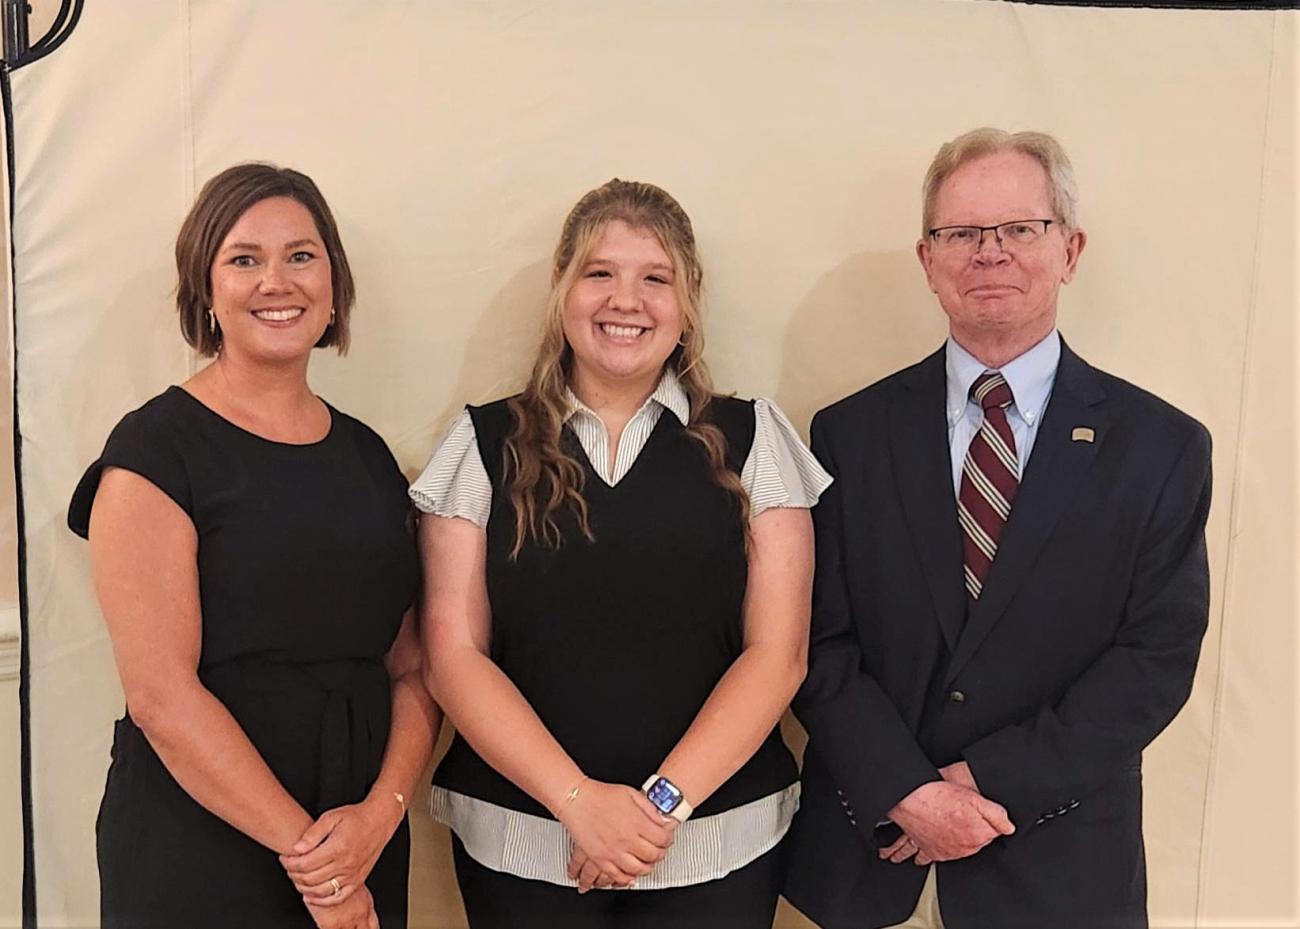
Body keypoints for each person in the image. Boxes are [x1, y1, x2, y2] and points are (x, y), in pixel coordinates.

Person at [784, 128, 1212, 929]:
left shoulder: (1160, 446)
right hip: (871, 853)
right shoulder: (849, 432)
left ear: (1070, 249)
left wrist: (976, 784)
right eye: (961, 233)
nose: (990, 253)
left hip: (1059, 862)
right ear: (927, 258)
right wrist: (905, 791)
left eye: (1021, 228)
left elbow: (1155, 659)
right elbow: (818, 641)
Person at [412, 178, 830, 928]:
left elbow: (779, 653)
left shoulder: (756, 439)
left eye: (655, 278)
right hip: (523, 843)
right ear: (560, 284)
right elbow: (452, 656)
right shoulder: (480, 444)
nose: (625, 300)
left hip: (711, 841)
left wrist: (656, 810)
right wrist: (578, 803)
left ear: (689, 294)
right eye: (600, 272)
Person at [68, 163, 440, 929]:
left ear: (333, 283)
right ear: (206, 289)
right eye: (244, 258)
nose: (278, 280)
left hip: (358, 835)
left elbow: (413, 666)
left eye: (302, 255)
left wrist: (380, 813)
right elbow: (163, 698)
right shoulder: (155, 451)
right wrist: (317, 866)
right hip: (203, 838)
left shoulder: (371, 458)